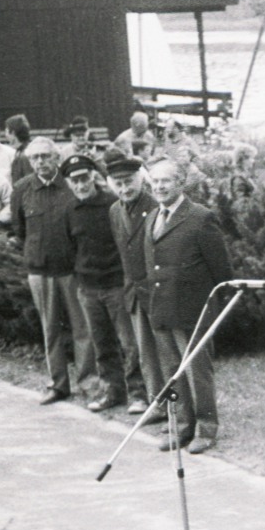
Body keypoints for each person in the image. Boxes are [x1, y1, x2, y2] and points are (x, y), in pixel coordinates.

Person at [143, 157, 232, 454]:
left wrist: (216, 309)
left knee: (196, 371)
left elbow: (222, 270)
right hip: (162, 309)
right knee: (172, 372)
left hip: (193, 311)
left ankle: (206, 429)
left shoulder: (200, 217)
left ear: (180, 183)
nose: (159, 187)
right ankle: (182, 427)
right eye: (154, 182)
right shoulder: (152, 216)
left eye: (165, 181)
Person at [11, 137, 96, 405]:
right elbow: (19, 231)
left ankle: (89, 383)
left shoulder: (71, 187)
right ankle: (58, 385)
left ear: (56, 158)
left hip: (72, 272)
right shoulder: (22, 189)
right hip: (40, 272)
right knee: (50, 330)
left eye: (45, 157)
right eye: (35, 158)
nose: (40, 163)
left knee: (82, 329)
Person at [63, 154, 144, 414]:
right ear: (68, 183)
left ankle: (139, 394)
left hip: (116, 285)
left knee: (129, 343)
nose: (80, 184)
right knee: (102, 343)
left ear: (94, 177)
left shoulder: (113, 204)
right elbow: (70, 247)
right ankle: (112, 391)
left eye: (84, 178)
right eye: (74, 180)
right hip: (87, 288)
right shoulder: (69, 210)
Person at [103, 149, 164, 419]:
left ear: (141, 179)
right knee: (146, 354)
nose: (124, 188)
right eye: (119, 183)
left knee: (166, 353)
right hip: (134, 293)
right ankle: (156, 403)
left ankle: (175, 407)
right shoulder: (115, 210)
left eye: (129, 181)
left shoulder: (154, 207)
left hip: (158, 293)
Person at [4, 115, 34, 184]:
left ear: (13, 133)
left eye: (6, 131)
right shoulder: (20, 152)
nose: (5, 135)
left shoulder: (25, 155)